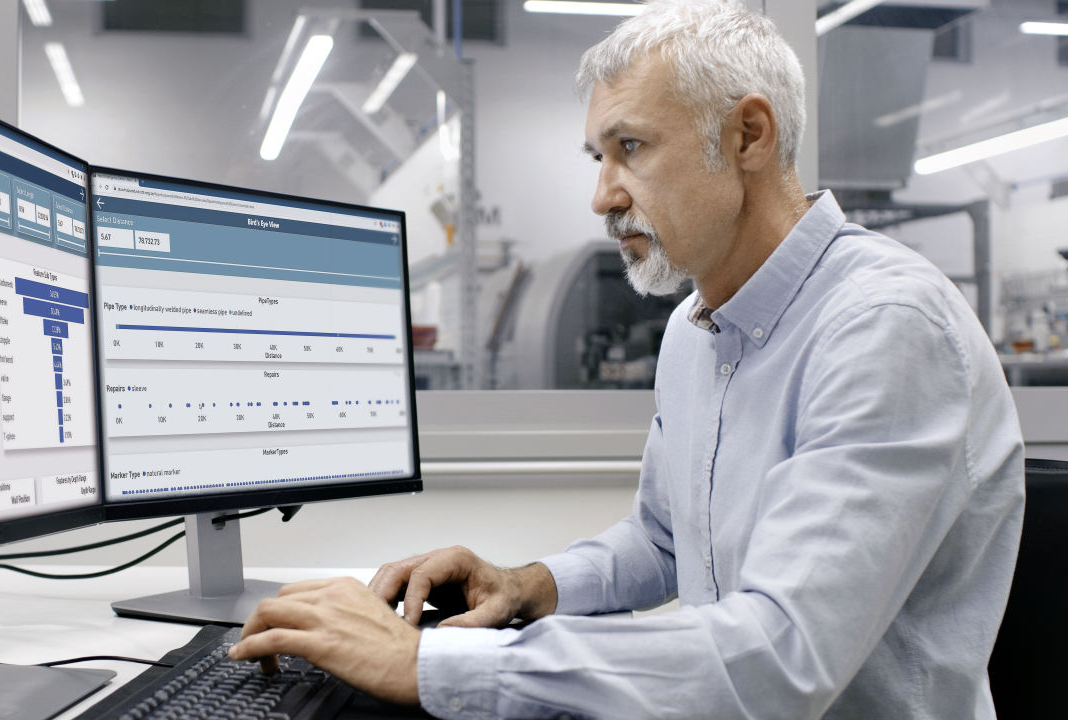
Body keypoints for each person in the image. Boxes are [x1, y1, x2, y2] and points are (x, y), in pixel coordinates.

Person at [228, 1, 1026, 716]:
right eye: (596, 157)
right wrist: (526, 586)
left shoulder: (885, 329)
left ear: (749, 136)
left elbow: (781, 659)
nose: (602, 195)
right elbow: (666, 541)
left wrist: (434, 662)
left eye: (631, 147)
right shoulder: (696, 329)